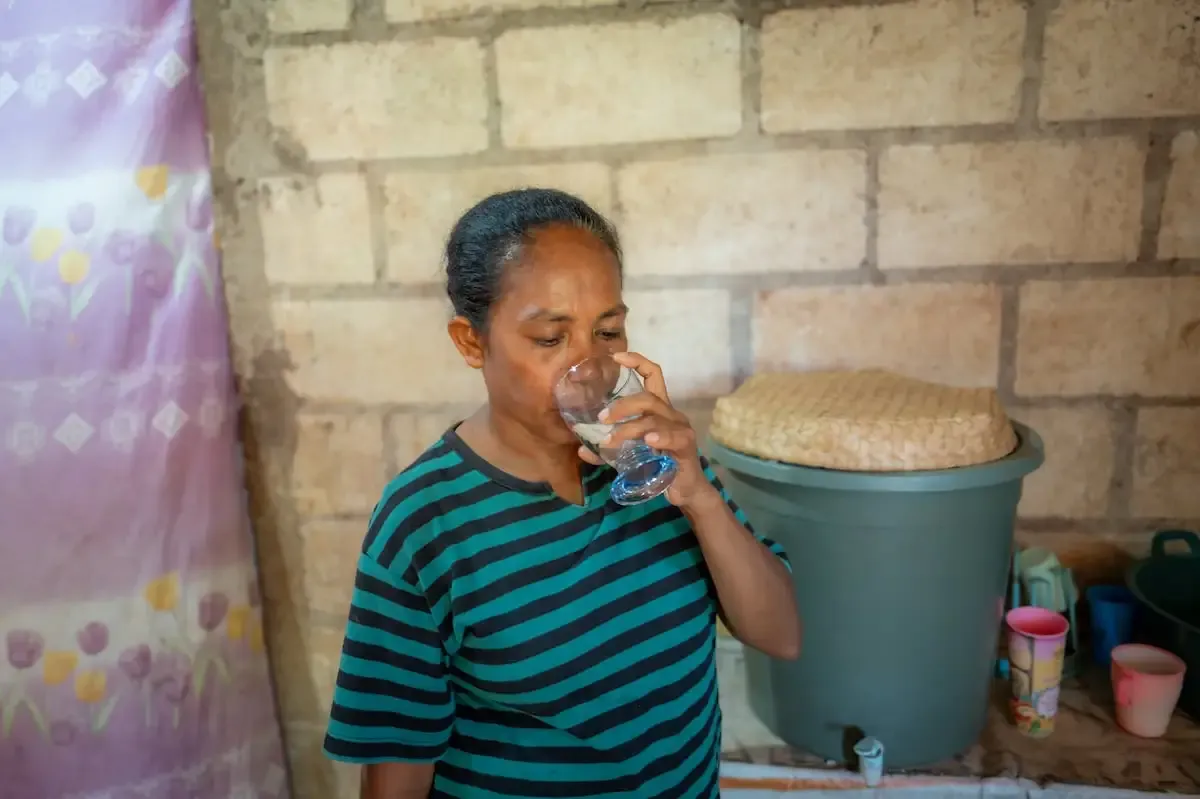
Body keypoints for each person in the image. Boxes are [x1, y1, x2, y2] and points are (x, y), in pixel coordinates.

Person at [323, 188, 802, 799]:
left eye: (608, 331)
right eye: (551, 339)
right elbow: (396, 777)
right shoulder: (425, 522)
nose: (590, 366)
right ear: (472, 343)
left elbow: (781, 634)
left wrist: (700, 498)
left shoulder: (655, 461)